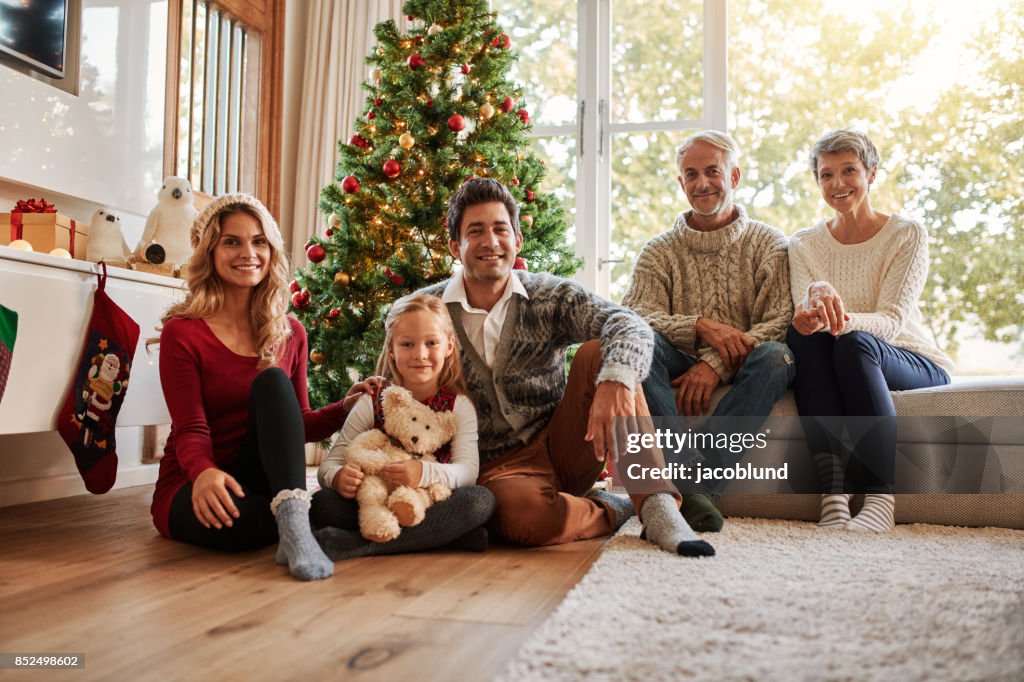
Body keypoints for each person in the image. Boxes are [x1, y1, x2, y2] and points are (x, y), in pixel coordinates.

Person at [417, 177, 714, 557]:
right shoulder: (426, 309)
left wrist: (617, 379)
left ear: (518, 241)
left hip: (569, 445)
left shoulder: (548, 294)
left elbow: (630, 323)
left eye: (500, 229)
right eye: (476, 231)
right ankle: (612, 507)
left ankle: (657, 507)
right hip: (497, 471)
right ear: (455, 246)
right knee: (526, 519)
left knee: (598, 353)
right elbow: (391, 384)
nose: (491, 242)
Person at [149, 193, 372, 581]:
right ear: (210, 251)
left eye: (259, 241)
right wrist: (203, 472)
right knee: (244, 525)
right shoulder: (182, 333)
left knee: (272, 380)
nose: (247, 252)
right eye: (231, 241)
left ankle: (292, 521)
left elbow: (297, 422)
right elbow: (190, 429)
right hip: (197, 478)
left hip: (263, 478)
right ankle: (297, 523)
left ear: (271, 250)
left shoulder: (291, 332)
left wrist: (345, 407)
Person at [622, 131, 795, 532]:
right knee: (637, 343)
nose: (702, 183)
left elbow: (781, 320)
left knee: (776, 356)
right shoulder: (658, 251)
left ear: (733, 177)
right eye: (691, 174)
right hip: (680, 355)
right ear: (681, 184)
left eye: (712, 171)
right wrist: (700, 326)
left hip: (750, 358)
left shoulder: (769, 244)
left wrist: (714, 364)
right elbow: (632, 316)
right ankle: (693, 487)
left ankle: (692, 487)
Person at [787, 129, 953, 532]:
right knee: (801, 336)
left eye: (849, 171)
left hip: (910, 357)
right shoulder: (803, 244)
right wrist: (808, 315)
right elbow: (805, 312)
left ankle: (880, 498)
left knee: (854, 343)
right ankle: (835, 495)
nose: (838, 184)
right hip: (848, 351)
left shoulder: (905, 234)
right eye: (826, 175)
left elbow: (892, 320)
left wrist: (838, 315)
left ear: (871, 174)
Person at [310, 293, 496, 559]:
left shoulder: (458, 405)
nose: (420, 355)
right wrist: (337, 478)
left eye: (431, 343)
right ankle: (445, 537)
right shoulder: (373, 400)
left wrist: (423, 473)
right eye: (407, 344)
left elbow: (468, 473)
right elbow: (330, 464)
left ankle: (359, 545)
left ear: (449, 346)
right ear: (391, 350)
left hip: (429, 502)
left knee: (480, 502)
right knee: (323, 503)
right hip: (375, 499)